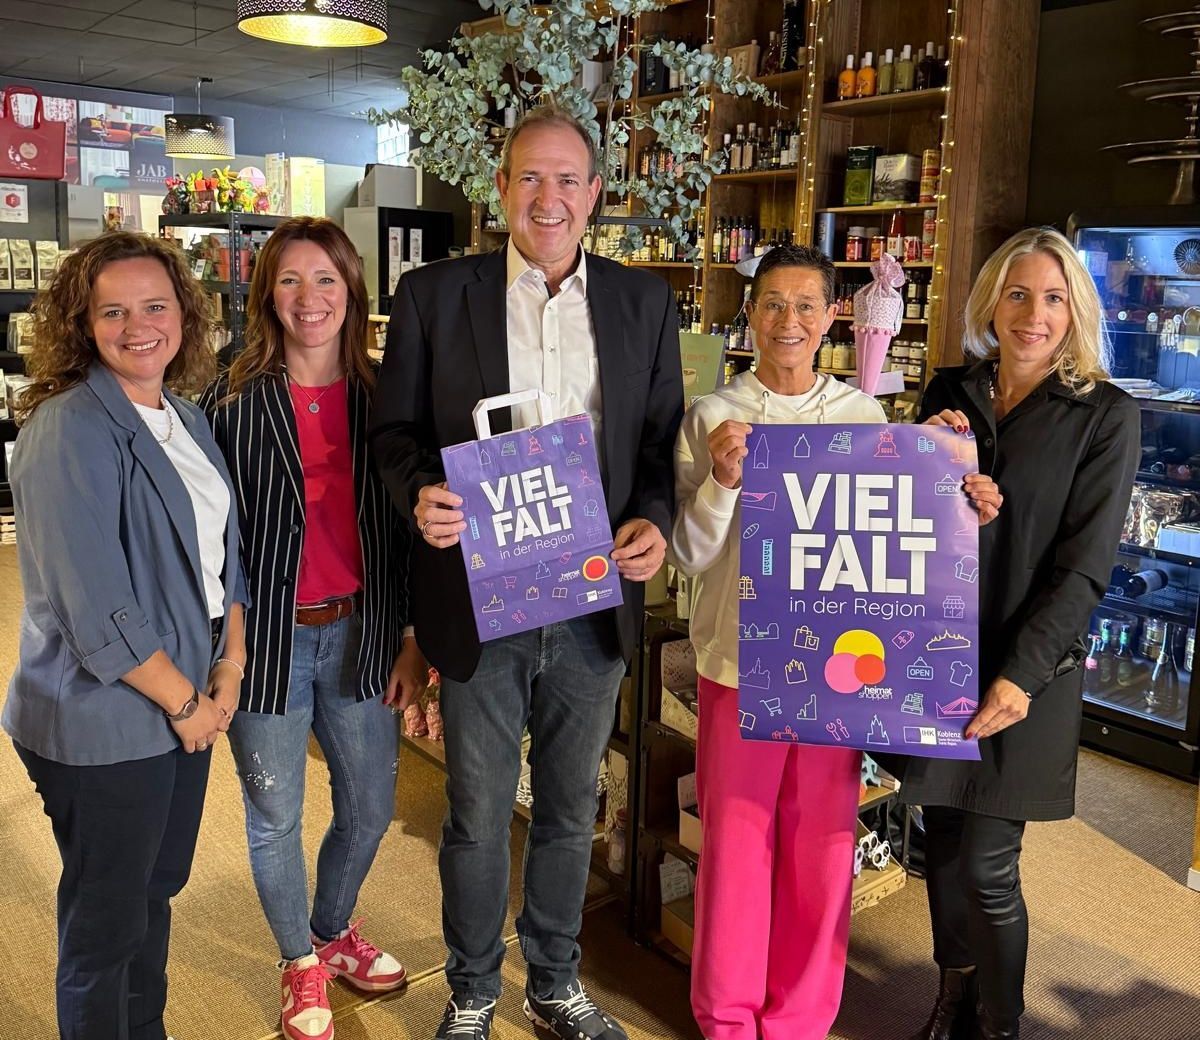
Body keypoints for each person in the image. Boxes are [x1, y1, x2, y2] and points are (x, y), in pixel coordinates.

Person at [370, 105, 683, 1040]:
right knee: (473, 813)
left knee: (567, 806)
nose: (549, 198)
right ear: (502, 189)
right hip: (479, 598)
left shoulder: (641, 303)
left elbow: (662, 445)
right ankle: (471, 992)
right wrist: (420, 492)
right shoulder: (434, 296)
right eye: (530, 178)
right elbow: (392, 435)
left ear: (595, 194)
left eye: (568, 180)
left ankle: (552, 982)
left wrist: (656, 522)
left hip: (592, 603)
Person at [4, 230, 247, 1040]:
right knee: (107, 926)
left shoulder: (182, 416)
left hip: (187, 697)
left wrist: (233, 665)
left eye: (154, 305)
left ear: (185, 312)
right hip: (106, 718)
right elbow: (91, 603)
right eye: (112, 311)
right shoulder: (68, 428)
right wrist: (187, 704)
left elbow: (224, 556)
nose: (137, 325)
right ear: (81, 323)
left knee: (153, 894)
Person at [903, 227, 1140, 1040]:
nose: (1032, 314)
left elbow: (1083, 567)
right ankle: (953, 995)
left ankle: (1000, 1024)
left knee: (989, 866)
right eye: (1016, 294)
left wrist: (1020, 677)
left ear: (1075, 311)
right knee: (940, 840)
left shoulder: (1106, 415)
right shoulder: (948, 391)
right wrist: (922, 466)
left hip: (1027, 666)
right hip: (937, 654)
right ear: (989, 303)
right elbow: (902, 523)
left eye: (1052, 297)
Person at [200, 217, 423, 1040]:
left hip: (362, 632)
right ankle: (299, 961)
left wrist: (407, 635)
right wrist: (226, 644)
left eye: (325, 279)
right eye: (290, 281)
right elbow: (211, 536)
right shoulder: (230, 398)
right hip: (265, 644)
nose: (309, 298)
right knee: (274, 816)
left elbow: (402, 530)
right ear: (267, 295)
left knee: (369, 805)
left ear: (352, 292)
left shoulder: (384, 398)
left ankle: (332, 932)